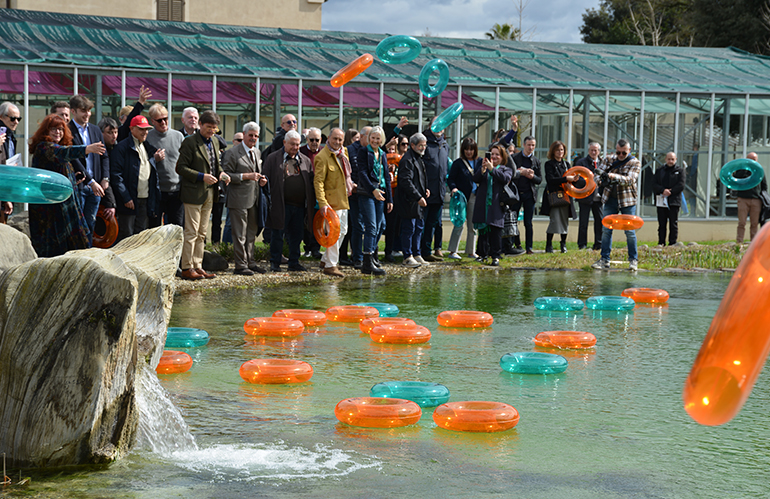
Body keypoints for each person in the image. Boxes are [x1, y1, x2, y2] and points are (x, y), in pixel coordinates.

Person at [27, 114, 105, 257]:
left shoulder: (59, 147)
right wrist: (87, 149)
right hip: (49, 209)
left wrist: (73, 181)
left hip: (64, 205)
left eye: (61, 129)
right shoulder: (44, 147)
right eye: (54, 129)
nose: (58, 132)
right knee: (54, 249)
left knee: (77, 242)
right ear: (46, 131)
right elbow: (62, 153)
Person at [176, 110, 231, 281]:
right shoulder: (190, 142)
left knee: (202, 232)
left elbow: (216, 165)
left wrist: (222, 174)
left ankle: (198, 266)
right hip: (193, 193)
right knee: (191, 232)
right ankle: (186, 267)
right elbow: (181, 168)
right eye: (209, 127)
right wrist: (202, 176)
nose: (212, 131)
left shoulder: (214, 141)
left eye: (214, 128)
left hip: (210, 192)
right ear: (200, 124)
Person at [264, 130, 315, 272]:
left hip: (299, 206)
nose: (295, 147)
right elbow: (265, 178)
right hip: (280, 204)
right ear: (284, 143)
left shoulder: (304, 160)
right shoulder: (273, 158)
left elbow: (310, 181)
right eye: (292, 144)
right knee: (278, 234)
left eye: (298, 144)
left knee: (296, 236)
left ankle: (294, 262)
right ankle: (275, 262)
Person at [222, 122, 268, 275]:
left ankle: (251, 262)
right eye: (251, 135)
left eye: (256, 136)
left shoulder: (257, 152)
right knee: (239, 234)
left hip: (254, 198)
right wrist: (245, 176)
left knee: (251, 233)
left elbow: (257, 173)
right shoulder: (233, 153)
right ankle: (240, 265)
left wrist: (261, 180)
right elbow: (225, 175)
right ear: (244, 135)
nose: (253, 138)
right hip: (238, 199)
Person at [592, 139, 642, 271]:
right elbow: (596, 175)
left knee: (629, 231)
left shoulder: (635, 162)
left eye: (623, 153)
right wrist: (603, 181)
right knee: (606, 230)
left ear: (629, 151)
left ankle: (633, 260)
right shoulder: (609, 160)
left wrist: (612, 176)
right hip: (610, 199)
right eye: (618, 152)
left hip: (627, 200)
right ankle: (604, 259)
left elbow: (630, 180)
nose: (620, 155)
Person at [110, 115, 162, 242]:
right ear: (132, 129)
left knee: (141, 237)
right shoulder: (122, 148)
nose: (145, 132)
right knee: (126, 237)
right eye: (141, 129)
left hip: (145, 199)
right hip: (129, 201)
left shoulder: (147, 147)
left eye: (146, 129)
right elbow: (116, 175)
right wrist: (126, 197)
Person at [68, 95, 108, 245]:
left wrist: (105, 178)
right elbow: (73, 158)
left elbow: (105, 157)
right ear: (73, 111)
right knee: (77, 225)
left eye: (89, 110)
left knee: (90, 224)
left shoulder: (96, 130)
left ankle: (87, 256)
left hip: (95, 187)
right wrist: (91, 181)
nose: (87, 114)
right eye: (83, 111)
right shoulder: (67, 130)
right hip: (79, 185)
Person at [314, 128, 352, 277]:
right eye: (334, 139)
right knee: (334, 234)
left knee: (343, 231)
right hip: (331, 202)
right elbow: (318, 182)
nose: (337, 142)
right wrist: (323, 203)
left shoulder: (344, 152)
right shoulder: (322, 157)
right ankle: (331, 265)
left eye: (340, 139)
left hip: (343, 198)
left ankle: (325, 259)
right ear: (328, 138)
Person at [357, 126, 392, 275]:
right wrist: (373, 190)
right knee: (371, 226)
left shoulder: (382, 153)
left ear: (382, 140)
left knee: (380, 226)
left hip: (381, 192)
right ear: (369, 138)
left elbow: (386, 177)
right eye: (373, 137)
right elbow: (362, 173)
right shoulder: (364, 152)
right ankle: (367, 262)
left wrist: (390, 198)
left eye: (378, 138)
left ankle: (371, 255)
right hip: (368, 192)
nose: (375, 140)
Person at [472, 143, 513, 266]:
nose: (494, 157)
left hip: (496, 204)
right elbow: (475, 179)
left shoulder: (506, 169)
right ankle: (482, 254)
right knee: (483, 230)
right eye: (492, 154)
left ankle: (495, 256)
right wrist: (483, 170)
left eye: (497, 155)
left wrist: (492, 169)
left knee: (495, 231)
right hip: (483, 204)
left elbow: (504, 179)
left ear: (502, 157)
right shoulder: (483, 166)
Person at [146, 103, 185, 227]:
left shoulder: (178, 136)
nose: (163, 122)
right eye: (159, 120)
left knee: (177, 228)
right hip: (156, 191)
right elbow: (140, 162)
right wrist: (154, 159)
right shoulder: (147, 137)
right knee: (155, 228)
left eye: (165, 119)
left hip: (176, 191)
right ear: (152, 121)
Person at [397, 133, 430, 267]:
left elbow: (421, 177)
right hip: (409, 201)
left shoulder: (419, 158)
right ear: (412, 145)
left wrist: (425, 190)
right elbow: (406, 182)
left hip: (418, 200)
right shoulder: (407, 159)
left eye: (424, 145)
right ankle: (407, 255)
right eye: (420, 145)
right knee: (409, 228)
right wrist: (418, 197)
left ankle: (417, 254)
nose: (423, 148)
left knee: (418, 227)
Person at [447, 137, 479, 259]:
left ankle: (471, 251)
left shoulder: (479, 162)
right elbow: (451, 179)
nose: (469, 152)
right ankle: (452, 251)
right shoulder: (458, 163)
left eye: (471, 149)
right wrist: (454, 189)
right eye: (466, 149)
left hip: (474, 196)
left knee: (473, 225)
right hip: (461, 197)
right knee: (459, 224)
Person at [541, 141, 576, 253]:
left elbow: (571, 181)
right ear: (553, 151)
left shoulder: (567, 164)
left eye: (561, 150)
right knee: (554, 220)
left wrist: (574, 180)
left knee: (565, 221)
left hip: (566, 196)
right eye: (557, 150)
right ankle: (549, 245)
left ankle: (563, 244)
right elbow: (550, 180)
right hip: (554, 196)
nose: (560, 152)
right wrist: (566, 179)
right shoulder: (549, 164)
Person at [421, 122, 449, 261]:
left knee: (432, 223)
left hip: (439, 192)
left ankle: (426, 251)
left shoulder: (444, 145)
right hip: (425, 192)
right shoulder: (424, 142)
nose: (439, 128)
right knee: (422, 223)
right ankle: (416, 251)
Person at [510, 135, 541, 254]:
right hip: (516, 193)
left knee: (528, 222)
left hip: (529, 194)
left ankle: (529, 247)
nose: (531, 147)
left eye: (533, 145)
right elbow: (510, 173)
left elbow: (539, 180)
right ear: (524, 145)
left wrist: (532, 176)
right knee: (513, 220)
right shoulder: (514, 157)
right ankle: (513, 244)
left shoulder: (536, 161)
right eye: (529, 145)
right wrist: (521, 172)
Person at [345, 125, 370, 268]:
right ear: (362, 136)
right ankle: (358, 257)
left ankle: (369, 253)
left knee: (377, 225)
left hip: (369, 194)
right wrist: (351, 184)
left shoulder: (372, 150)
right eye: (370, 136)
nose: (373, 139)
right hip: (354, 195)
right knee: (358, 226)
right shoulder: (349, 150)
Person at [652, 151, 686, 246]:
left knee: (673, 223)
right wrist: (662, 190)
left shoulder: (680, 171)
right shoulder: (660, 170)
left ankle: (672, 243)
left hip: (674, 201)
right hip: (661, 200)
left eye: (672, 159)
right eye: (669, 159)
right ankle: (661, 242)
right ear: (665, 159)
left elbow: (681, 185)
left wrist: (670, 191)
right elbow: (654, 184)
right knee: (662, 223)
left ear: (675, 160)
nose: (670, 161)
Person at [574, 142, 603, 250]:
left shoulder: (603, 163)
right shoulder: (581, 162)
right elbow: (577, 179)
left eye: (595, 150)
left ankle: (598, 244)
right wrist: (589, 181)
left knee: (599, 221)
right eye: (591, 150)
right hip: (585, 197)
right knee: (583, 223)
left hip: (598, 198)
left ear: (599, 152)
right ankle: (582, 244)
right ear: (588, 151)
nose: (593, 152)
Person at [300, 127, 323, 259]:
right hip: (304, 192)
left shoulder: (323, 152)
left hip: (318, 193)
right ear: (307, 139)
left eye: (317, 140)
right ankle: (306, 246)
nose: (314, 142)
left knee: (317, 221)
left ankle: (315, 248)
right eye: (312, 139)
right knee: (305, 221)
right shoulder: (301, 151)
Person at [735, 151, 767, 244]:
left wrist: (762, 198)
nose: (753, 161)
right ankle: (739, 242)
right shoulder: (741, 170)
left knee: (754, 223)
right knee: (742, 222)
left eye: (755, 159)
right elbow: (736, 180)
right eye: (751, 159)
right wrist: (744, 169)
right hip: (743, 199)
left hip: (756, 200)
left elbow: (764, 186)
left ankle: (754, 243)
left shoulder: (760, 171)